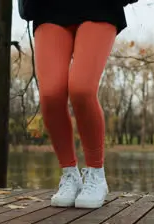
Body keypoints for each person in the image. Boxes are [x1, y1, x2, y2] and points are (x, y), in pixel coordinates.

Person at [28, 0, 132, 208]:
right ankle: (70, 175)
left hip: (98, 7)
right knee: (50, 94)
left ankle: (96, 175)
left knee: (81, 89)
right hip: (49, 9)